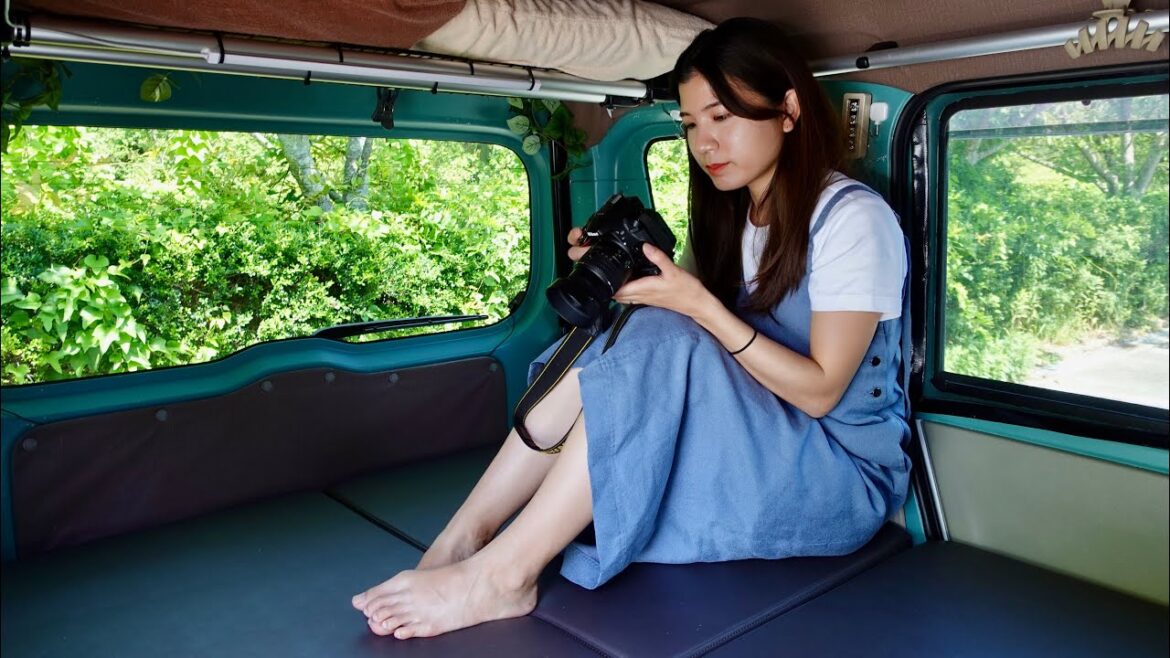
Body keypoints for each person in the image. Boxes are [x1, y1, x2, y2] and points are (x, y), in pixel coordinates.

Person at [351, 16, 911, 640]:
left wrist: (696, 305)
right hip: (764, 435)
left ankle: (505, 574)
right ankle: (465, 537)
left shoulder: (852, 220)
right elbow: (679, 331)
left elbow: (820, 391)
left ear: (787, 108)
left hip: (837, 471)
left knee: (666, 333)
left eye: (722, 117)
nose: (705, 143)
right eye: (692, 124)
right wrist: (614, 278)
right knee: (634, 326)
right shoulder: (734, 217)